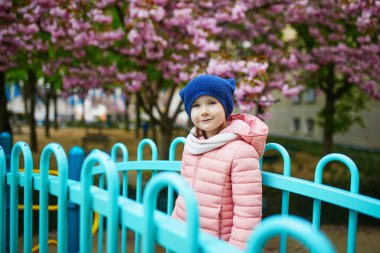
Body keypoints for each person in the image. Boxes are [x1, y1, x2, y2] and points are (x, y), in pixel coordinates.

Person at [172, 74, 268, 249]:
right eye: (196, 105)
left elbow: (247, 212)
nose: (204, 111)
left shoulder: (241, 151)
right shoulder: (192, 145)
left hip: (217, 244)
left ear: (225, 106)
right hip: (185, 236)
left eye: (211, 102)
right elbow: (183, 194)